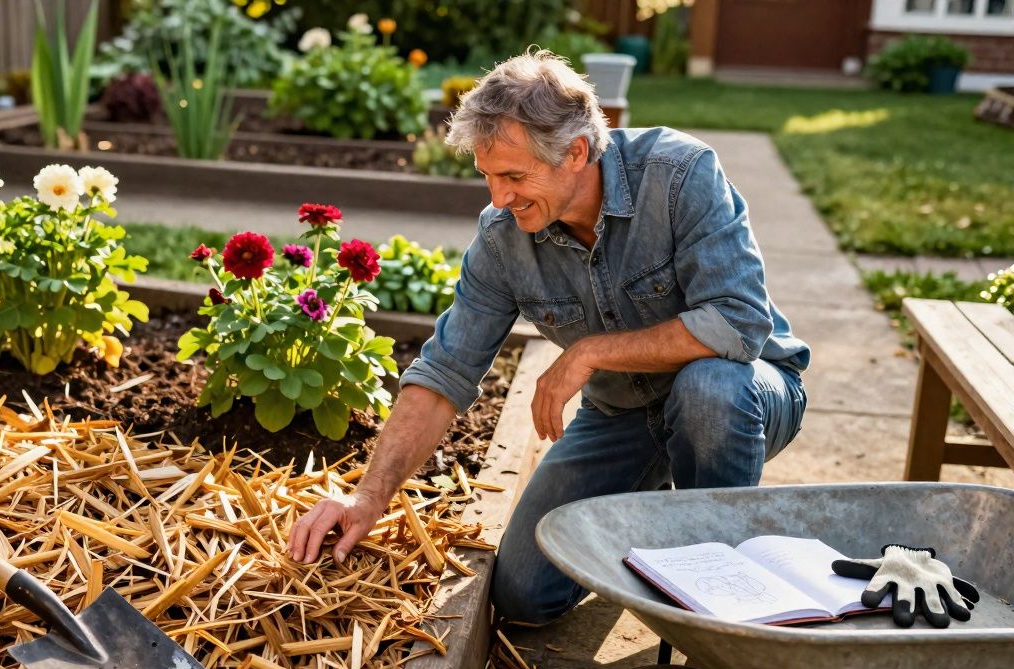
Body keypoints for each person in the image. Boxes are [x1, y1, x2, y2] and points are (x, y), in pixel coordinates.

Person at [287, 50, 810, 626]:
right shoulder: (501, 240)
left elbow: (738, 322)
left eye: (514, 176)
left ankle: (724, 587)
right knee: (522, 596)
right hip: (623, 416)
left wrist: (590, 352)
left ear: (576, 152)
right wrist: (368, 497)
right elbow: (444, 374)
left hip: (745, 396)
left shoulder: (679, 174)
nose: (498, 198)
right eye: (488, 176)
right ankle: (651, 518)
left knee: (708, 388)